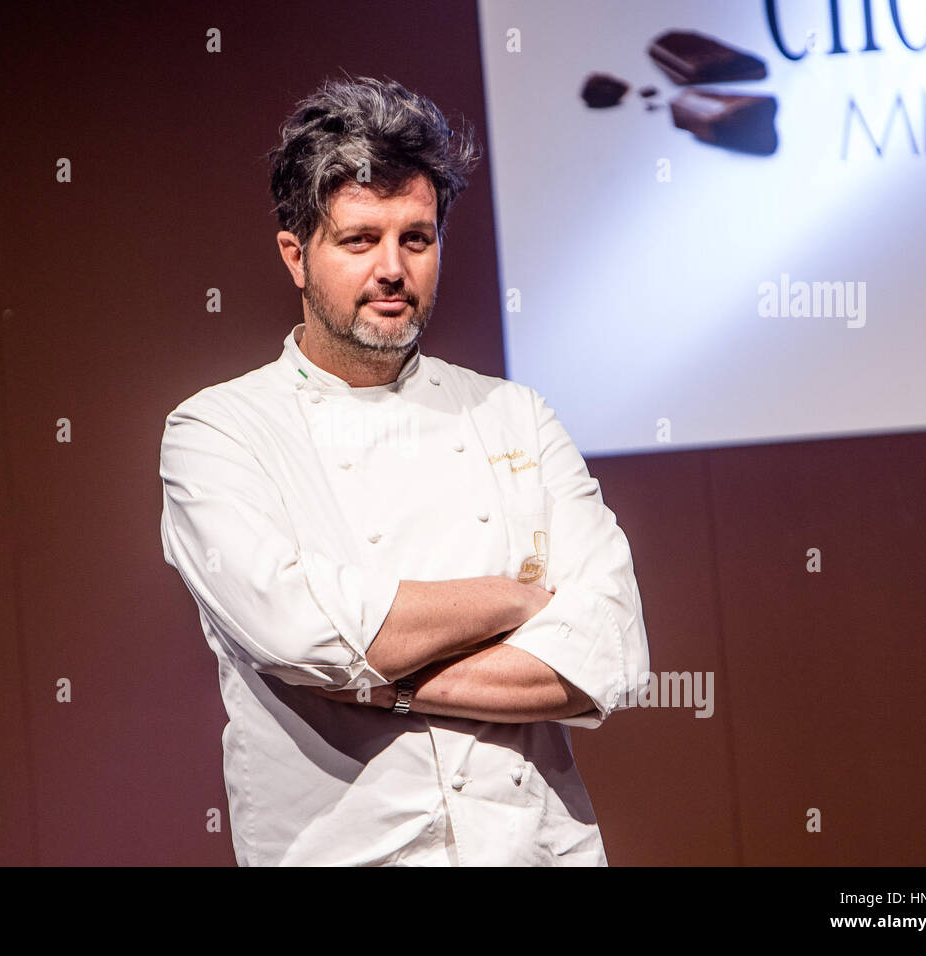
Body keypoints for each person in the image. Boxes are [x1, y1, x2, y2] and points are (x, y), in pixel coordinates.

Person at [159, 74, 650, 866]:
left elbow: (609, 650)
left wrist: (379, 680)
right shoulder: (218, 432)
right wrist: (514, 599)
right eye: (360, 240)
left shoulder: (513, 414)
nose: (392, 268)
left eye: (415, 239)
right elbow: (298, 632)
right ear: (296, 255)